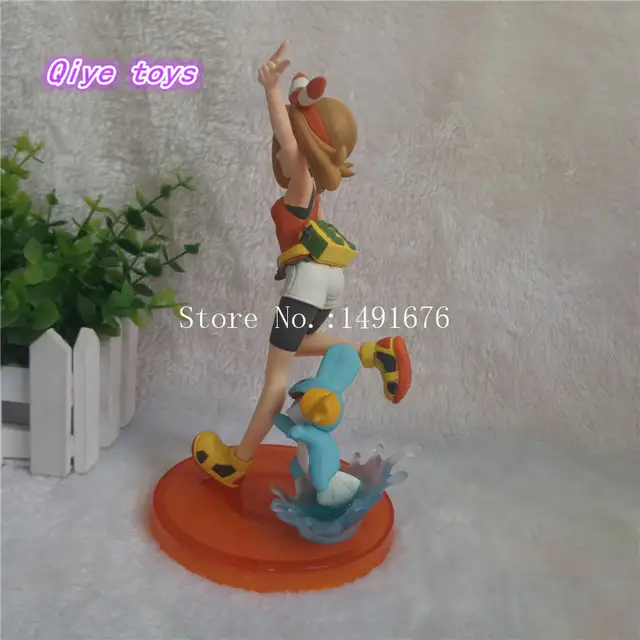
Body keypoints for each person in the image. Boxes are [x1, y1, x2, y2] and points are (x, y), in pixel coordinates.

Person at [192, 42, 412, 487]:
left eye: (284, 148)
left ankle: (237, 462)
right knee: (302, 344)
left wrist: (271, 89)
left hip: (306, 281)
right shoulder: (315, 199)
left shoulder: (301, 182)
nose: (277, 153)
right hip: (328, 284)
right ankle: (375, 352)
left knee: (275, 381)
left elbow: (290, 138)